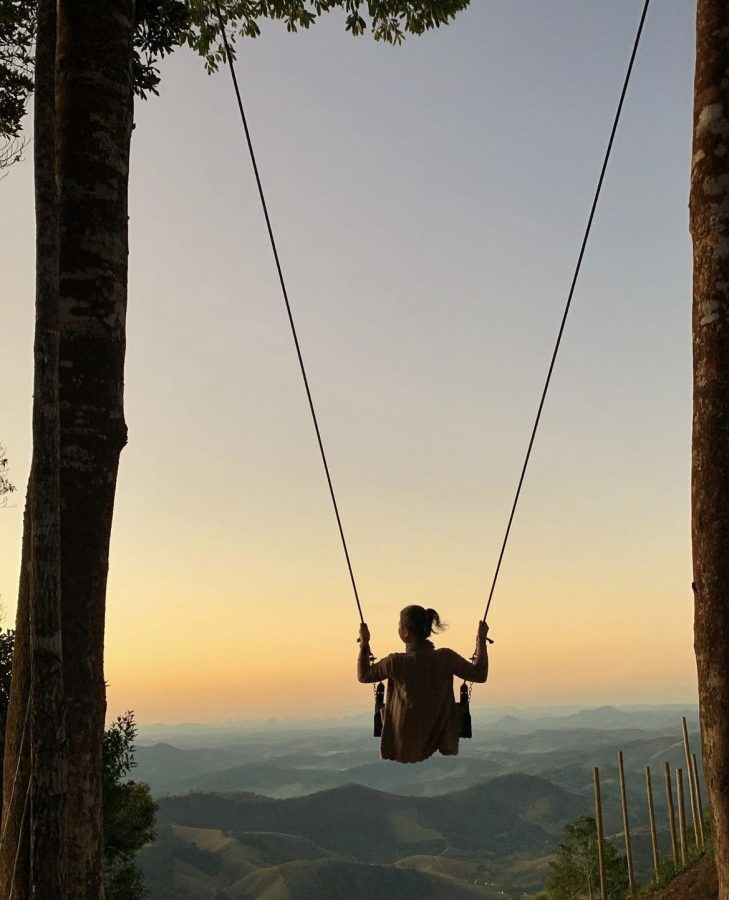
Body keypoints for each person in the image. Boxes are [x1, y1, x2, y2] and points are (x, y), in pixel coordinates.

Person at [357, 606, 489, 764]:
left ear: (405, 632)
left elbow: (364, 675)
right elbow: (479, 674)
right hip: (440, 734)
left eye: (399, 625)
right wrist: (481, 640)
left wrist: (364, 644)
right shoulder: (445, 658)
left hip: (404, 740)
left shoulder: (395, 663)